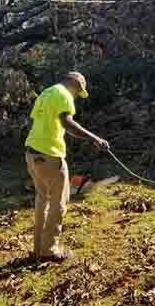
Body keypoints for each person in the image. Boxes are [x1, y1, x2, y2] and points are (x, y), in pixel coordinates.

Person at [25, 71, 109, 262]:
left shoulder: (46, 93)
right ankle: (49, 251)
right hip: (50, 155)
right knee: (59, 203)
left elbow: (40, 122)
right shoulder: (63, 94)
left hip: (32, 153)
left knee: (42, 199)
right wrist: (95, 139)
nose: (76, 96)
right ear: (74, 83)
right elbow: (67, 122)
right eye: (78, 92)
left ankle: (38, 249)